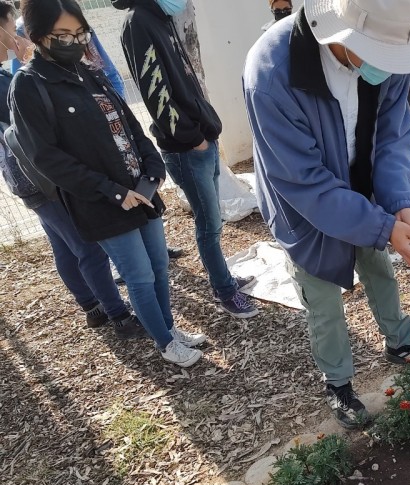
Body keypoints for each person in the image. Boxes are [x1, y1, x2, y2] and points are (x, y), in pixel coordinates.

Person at [243, 0, 410, 429]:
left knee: (380, 270)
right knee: (322, 299)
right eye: (379, 55)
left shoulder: (390, 55)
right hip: (305, 207)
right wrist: (383, 226)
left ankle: (400, 342)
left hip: (364, 191)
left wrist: (399, 206)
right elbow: (304, 182)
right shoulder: (272, 70)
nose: (387, 67)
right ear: (339, 33)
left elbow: (393, 136)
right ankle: (337, 382)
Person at [10, 0, 206, 366]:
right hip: (103, 201)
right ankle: (165, 343)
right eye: (63, 35)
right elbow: (46, 157)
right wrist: (111, 191)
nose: (74, 43)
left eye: (80, 34)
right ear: (37, 36)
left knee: (159, 266)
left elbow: (130, 125)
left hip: (140, 190)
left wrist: (152, 165)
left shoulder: (90, 73)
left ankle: (168, 327)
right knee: (139, 275)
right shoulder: (29, 85)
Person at [1, 0, 144, 338]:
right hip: (42, 178)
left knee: (63, 244)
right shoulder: (17, 81)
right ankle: (118, 314)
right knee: (87, 246)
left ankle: (92, 307)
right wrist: (28, 67)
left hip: (27, 178)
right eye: (9, 25)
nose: (14, 34)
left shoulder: (10, 73)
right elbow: (32, 127)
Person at [112, 0, 258, 318]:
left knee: (213, 220)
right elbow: (155, 92)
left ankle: (224, 279)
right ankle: (224, 290)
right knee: (209, 223)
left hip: (200, 139)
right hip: (187, 148)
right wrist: (193, 139)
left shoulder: (158, 18)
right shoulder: (138, 23)